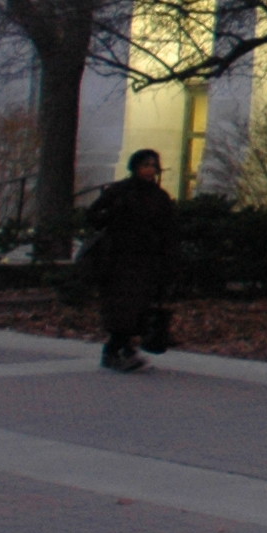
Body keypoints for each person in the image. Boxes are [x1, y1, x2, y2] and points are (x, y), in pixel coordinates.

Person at [86, 149, 177, 373]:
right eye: (145, 165)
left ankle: (125, 348)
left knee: (139, 306)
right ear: (135, 167)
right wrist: (113, 218)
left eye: (153, 166)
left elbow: (168, 229)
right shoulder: (120, 191)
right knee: (122, 305)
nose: (149, 170)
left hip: (146, 258)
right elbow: (94, 215)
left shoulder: (159, 196)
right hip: (119, 257)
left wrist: (168, 259)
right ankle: (114, 350)